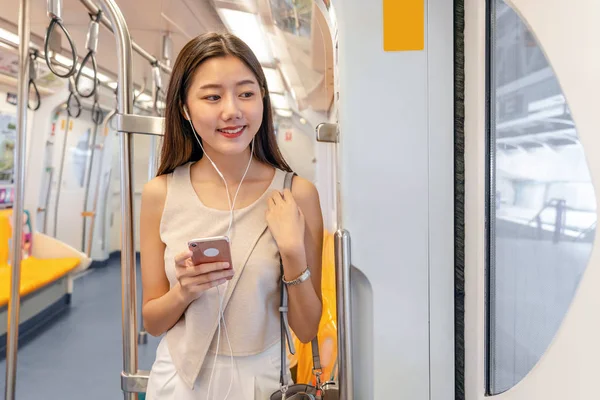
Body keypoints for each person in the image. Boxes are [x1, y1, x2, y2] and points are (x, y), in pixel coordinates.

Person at [141, 32, 324, 399]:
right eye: (212, 96)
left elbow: (306, 330)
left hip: (260, 381)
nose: (232, 110)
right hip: (178, 380)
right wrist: (184, 291)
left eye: (245, 93)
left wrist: (293, 254)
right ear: (184, 108)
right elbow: (153, 322)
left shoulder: (297, 194)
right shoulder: (160, 193)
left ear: (262, 99)